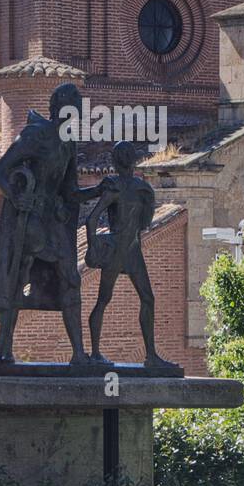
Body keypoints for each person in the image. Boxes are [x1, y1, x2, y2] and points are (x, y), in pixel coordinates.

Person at [0, 82, 106, 365]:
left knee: (71, 278)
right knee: (18, 278)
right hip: (28, 220)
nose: (73, 115)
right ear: (58, 109)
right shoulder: (36, 134)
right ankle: (4, 350)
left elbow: (70, 191)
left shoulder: (68, 142)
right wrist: (16, 197)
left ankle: (78, 354)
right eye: (71, 109)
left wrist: (100, 191)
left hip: (52, 220)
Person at [84, 140, 176, 368]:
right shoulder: (143, 188)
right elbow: (146, 221)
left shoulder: (112, 186)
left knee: (104, 300)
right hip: (131, 248)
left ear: (115, 162)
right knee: (146, 299)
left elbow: (91, 217)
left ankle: (97, 353)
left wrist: (93, 245)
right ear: (134, 161)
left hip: (118, 248)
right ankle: (150, 356)